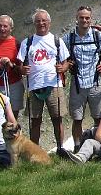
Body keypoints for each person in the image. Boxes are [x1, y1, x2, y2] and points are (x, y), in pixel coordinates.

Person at [17, 9, 70, 147]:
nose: (41, 23)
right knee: (35, 120)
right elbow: (20, 65)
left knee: (57, 118)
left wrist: (63, 68)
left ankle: (60, 148)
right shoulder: (27, 43)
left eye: (44, 20)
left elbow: (66, 62)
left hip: (54, 84)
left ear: (49, 23)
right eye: (38, 21)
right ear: (34, 23)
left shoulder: (57, 40)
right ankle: (35, 150)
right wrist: (22, 69)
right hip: (34, 86)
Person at [66, 5, 101, 144]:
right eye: (81, 18)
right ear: (77, 18)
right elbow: (60, 53)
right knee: (77, 118)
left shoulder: (99, 36)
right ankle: (77, 147)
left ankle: (98, 145)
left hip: (95, 83)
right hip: (77, 84)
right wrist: (68, 63)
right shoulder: (69, 37)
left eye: (87, 18)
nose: (84, 20)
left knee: (98, 117)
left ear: (91, 19)